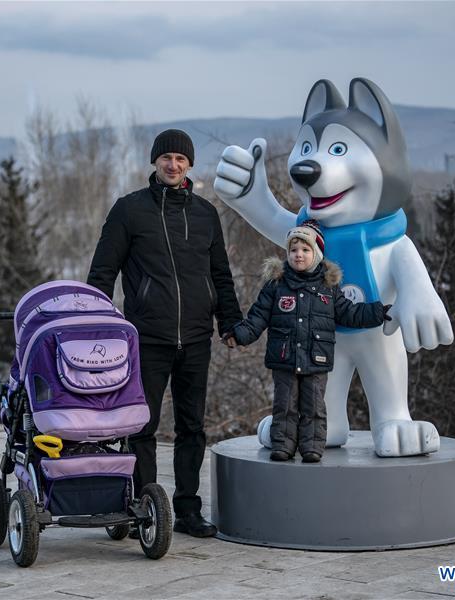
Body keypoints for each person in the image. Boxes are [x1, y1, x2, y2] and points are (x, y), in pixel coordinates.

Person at [87, 129, 241, 537]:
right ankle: (140, 508)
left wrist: (230, 322)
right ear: (154, 162)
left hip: (195, 338)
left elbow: (220, 275)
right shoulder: (129, 211)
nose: (173, 165)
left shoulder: (206, 214)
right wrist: (98, 328)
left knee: (193, 427)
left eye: (181, 159)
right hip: (145, 338)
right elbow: (102, 273)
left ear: (190, 164)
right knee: (141, 426)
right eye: (166, 158)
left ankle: (188, 511)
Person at [225, 221, 389, 462]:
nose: (298, 255)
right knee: (285, 405)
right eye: (293, 250)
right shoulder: (276, 284)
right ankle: (282, 445)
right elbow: (257, 316)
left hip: (316, 357)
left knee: (314, 406)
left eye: (305, 250)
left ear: (317, 254)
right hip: (284, 357)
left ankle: (312, 447)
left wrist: (376, 312)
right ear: (287, 254)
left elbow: (348, 313)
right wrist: (239, 335)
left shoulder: (329, 288)